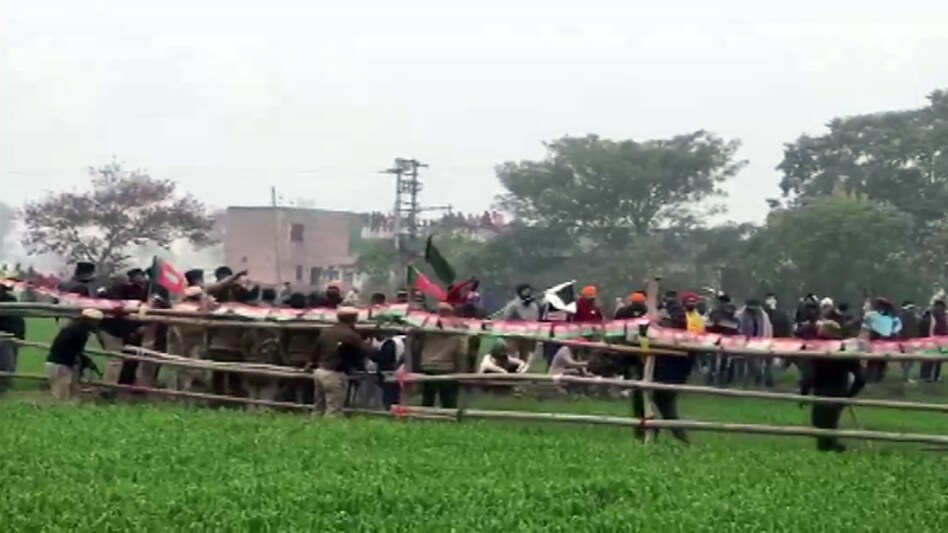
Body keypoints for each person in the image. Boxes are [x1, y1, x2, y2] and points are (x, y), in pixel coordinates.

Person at [799, 320, 866, 452]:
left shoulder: (818, 348)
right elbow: (861, 378)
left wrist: (804, 393)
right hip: (839, 391)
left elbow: (809, 375)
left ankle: (836, 449)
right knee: (827, 425)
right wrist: (849, 394)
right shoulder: (846, 350)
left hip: (822, 391)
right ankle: (831, 450)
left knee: (822, 425)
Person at [312, 307, 370, 417]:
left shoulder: (326, 331)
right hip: (335, 373)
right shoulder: (351, 335)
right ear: (354, 319)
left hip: (320, 370)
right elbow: (367, 351)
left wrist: (311, 363)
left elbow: (315, 350)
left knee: (319, 406)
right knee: (334, 408)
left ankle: (313, 428)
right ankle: (329, 431)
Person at [415, 303, 469, 408]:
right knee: (448, 401)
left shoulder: (426, 329)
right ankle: (449, 419)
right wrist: (462, 372)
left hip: (428, 366)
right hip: (447, 368)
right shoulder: (457, 331)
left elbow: (417, 346)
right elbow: (461, 353)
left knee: (427, 400)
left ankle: (425, 420)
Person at [46, 308, 103, 401]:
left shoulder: (75, 329)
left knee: (67, 393)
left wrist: (84, 360)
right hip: (60, 364)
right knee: (62, 395)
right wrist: (79, 360)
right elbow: (66, 348)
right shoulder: (78, 332)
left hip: (60, 363)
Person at [861, 297, 901, 382]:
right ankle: (879, 376)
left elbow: (865, 327)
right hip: (887, 339)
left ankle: (870, 377)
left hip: (875, 338)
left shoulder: (871, 315)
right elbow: (898, 327)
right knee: (883, 359)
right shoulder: (892, 316)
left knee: (872, 359)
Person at [501, 284, 541, 367]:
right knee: (511, 354)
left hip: (528, 334)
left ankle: (521, 372)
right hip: (513, 334)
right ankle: (508, 371)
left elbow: (536, 319)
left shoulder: (534, 305)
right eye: (525, 292)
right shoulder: (512, 306)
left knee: (525, 355)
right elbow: (506, 319)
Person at [0, 284, 26, 395]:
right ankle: (5, 385)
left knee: (9, 362)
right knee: (7, 361)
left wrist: (20, 334)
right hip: (7, 334)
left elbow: (18, 320)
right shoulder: (10, 300)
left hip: (10, 334)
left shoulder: (11, 300)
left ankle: (5, 385)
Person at [920, 299, 947, 383]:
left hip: (935, 336)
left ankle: (926, 376)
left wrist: (930, 336)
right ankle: (936, 376)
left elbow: (933, 324)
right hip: (944, 337)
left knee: (930, 356)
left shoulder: (933, 312)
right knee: (940, 357)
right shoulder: (944, 314)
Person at [898, 301, 921, 382]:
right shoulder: (909, 316)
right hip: (908, 339)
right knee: (909, 359)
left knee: (905, 359)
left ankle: (906, 375)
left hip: (904, 339)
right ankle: (906, 377)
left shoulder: (901, 315)